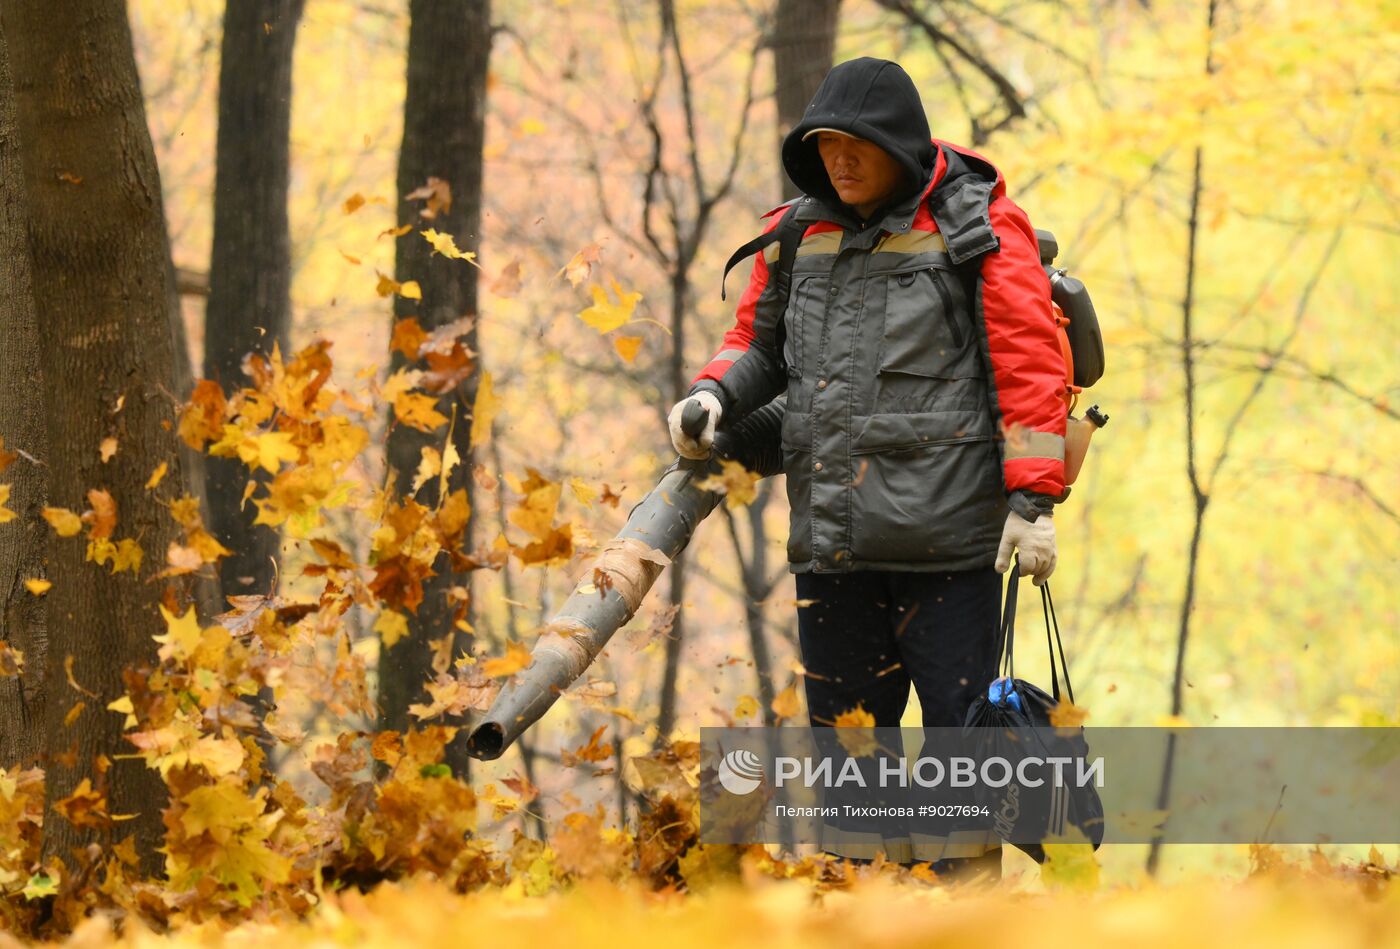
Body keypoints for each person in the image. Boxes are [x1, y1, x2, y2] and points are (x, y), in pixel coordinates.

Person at [668, 57, 1068, 879]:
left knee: (960, 762)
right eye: (824, 146)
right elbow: (755, 343)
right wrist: (711, 393)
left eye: (855, 146)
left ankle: (967, 930)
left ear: (897, 144)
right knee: (851, 759)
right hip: (834, 550)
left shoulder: (976, 226)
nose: (838, 161)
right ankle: (861, 913)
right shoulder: (797, 233)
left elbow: (1029, 364)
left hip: (951, 555)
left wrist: (1034, 501)